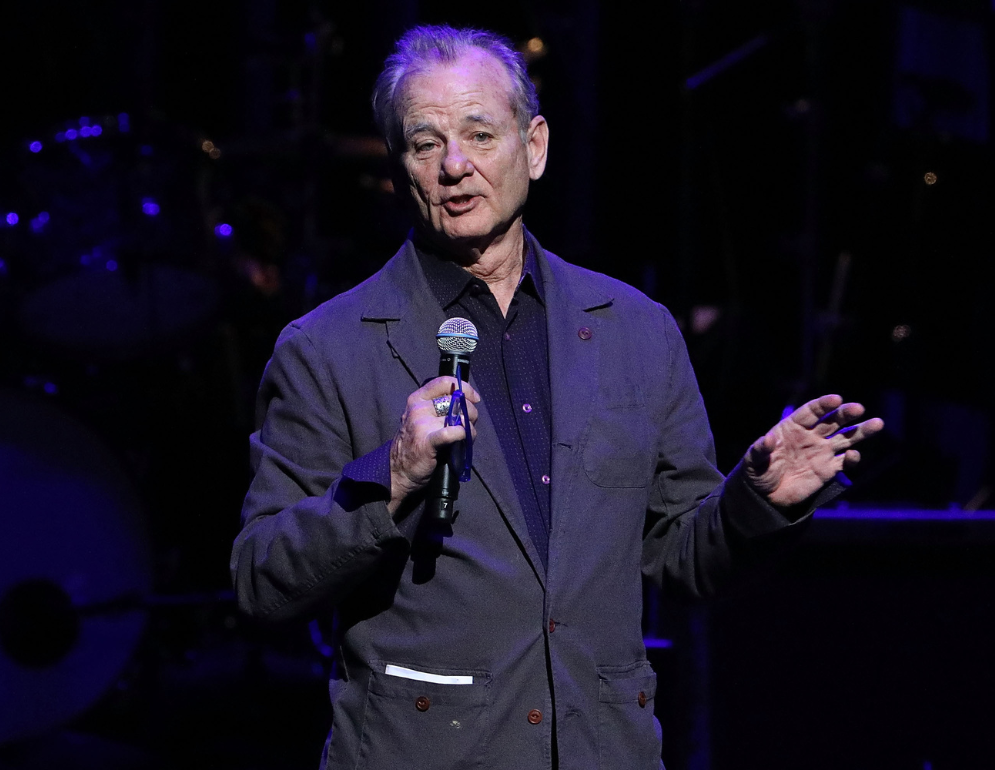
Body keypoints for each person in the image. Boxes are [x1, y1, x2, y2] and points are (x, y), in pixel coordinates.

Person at [231, 25, 883, 770]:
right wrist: (394, 476)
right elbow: (261, 583)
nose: (454, 165)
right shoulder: (327, 347)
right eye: (424, 143)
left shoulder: (635, 330)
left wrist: (760, 499)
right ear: (396, 165)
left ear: (533, 147)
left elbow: (681, 556)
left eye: (480, 133)